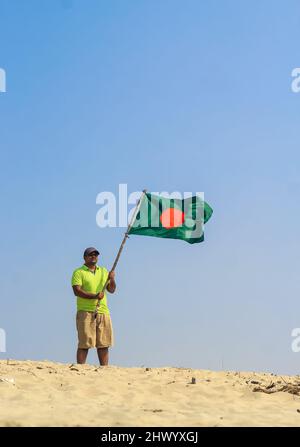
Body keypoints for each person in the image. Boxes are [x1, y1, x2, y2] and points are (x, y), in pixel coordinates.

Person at [71, 247, 116, 366]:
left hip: (103, 311)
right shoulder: (79, 272)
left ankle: (104, 369)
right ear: (85, 257)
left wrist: (112, 279)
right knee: (84, 343)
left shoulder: (103, 271)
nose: (93, 256)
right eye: (90, 255)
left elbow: (111, 290)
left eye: (95, 254)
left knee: (104, 343)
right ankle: (80, 369)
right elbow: (77, 291)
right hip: (85, 311)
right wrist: (95, 296)